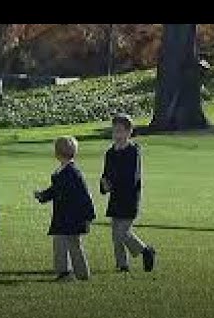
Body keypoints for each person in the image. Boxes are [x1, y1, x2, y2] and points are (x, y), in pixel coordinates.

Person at [99, 113, 156, 273]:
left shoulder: (133, 152)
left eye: (120, 131)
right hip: (115, 198)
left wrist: (113, 183)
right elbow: (106, 174)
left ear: (129, 132)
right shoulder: (110, 153)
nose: (117, 134)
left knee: (123, 232)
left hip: (129, 198)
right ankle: (122, 265)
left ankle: (145, 250)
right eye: (114, 131)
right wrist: (104, 184)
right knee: (115, 235)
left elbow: (132, 177)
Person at [34, 136, 96, 281]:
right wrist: (43, 196)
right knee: (60, 243)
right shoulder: (61, 172)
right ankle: (64, 272)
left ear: (57, 154)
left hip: (73, 217)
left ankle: (81, 274)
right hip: (63, 216)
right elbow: (55, 191)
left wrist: (89, 216)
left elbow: (84, 195)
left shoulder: (73, 173)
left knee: (74, 245)